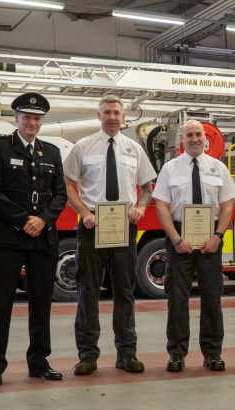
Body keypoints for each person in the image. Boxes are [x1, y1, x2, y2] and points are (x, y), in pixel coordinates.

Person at [63, 95, 156, 376]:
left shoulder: (134, 149)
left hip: (124, 228)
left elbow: (147, 188)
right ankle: (87, 355)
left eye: (117, 112)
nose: (112, 117)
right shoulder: (83, 147)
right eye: (107, 112)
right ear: (98, 115)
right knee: (87, 292)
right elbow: (68, 186)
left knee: (125, 292)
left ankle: (127, 354)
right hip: (93, 227)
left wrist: (140, 207)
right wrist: (84, 213)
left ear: (124, 116)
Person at [0, 93, 67, 386]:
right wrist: (23, 220)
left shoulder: (52, 153)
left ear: (42, 121)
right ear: (16, 118)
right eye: (27, 116)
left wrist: (42, 219)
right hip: (8, 237)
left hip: (43, 239)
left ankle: (39, 362)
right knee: (0, 303)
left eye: (37, 118)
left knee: (42, 303)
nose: (32, 122)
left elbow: (61, 195)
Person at [153, 120, 235, 372]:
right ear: (182, 139)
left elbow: (228, 205)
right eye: (189, 134)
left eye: (198, 134)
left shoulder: (218, 168)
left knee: (212, 297)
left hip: (211, 238)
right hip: (179, 238)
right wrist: (175, 239)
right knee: (177, 298)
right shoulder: (170, 169)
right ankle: (177, 353)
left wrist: (218, 236)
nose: (194, 138)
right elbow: (161, 206)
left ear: (206, 138)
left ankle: (212, 352)